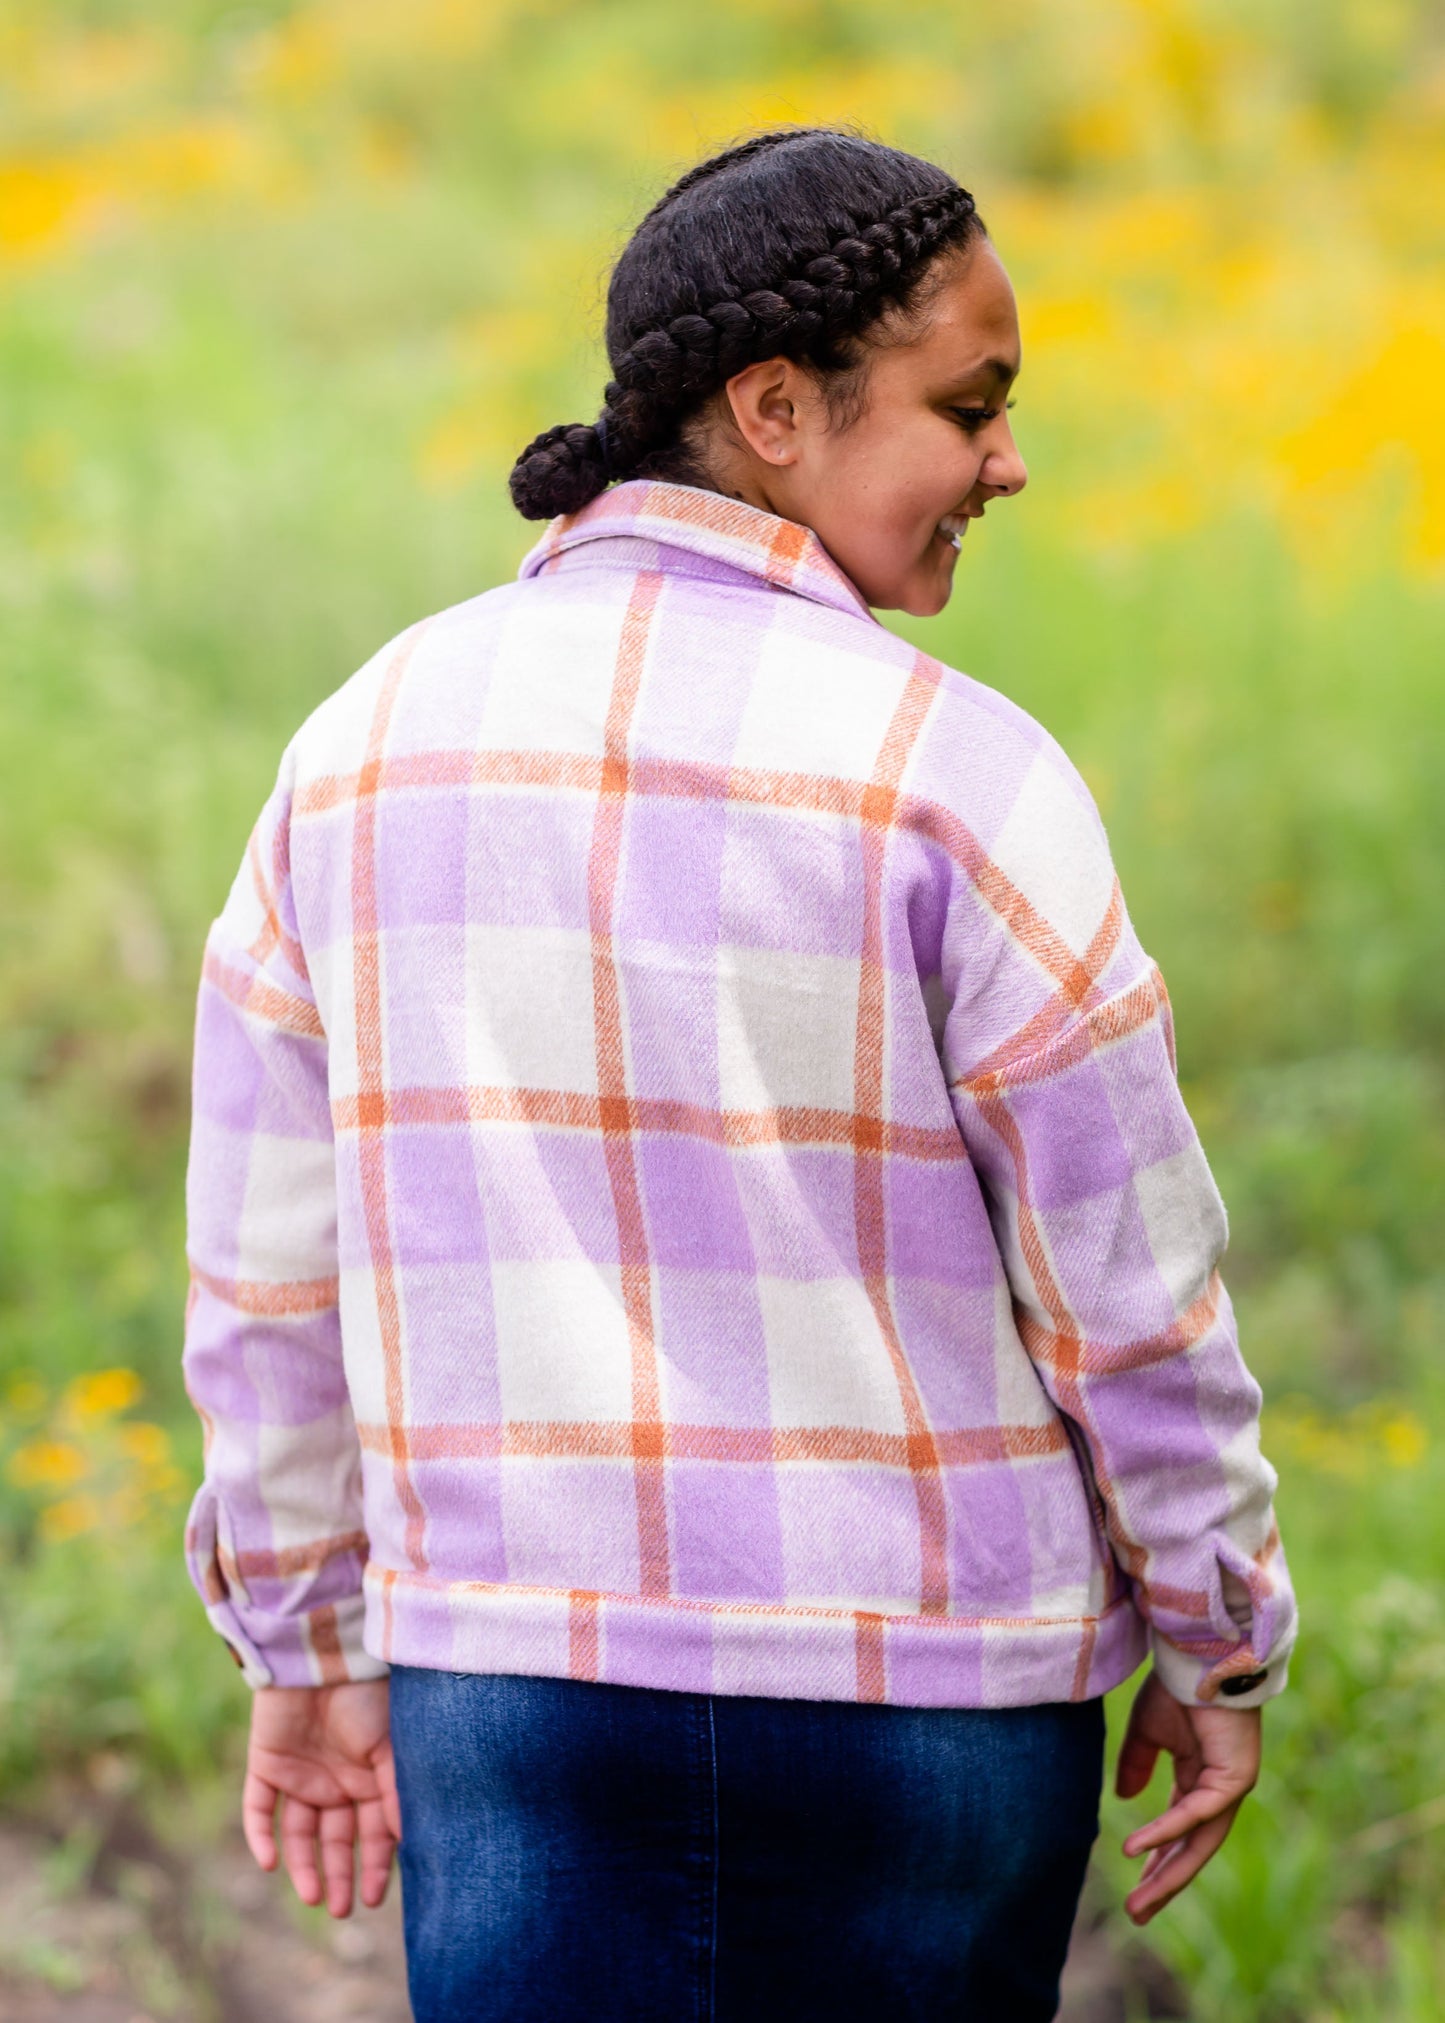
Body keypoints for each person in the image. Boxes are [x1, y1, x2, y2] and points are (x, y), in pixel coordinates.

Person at [181, 126, 1297, 2021]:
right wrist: (1216, 1631)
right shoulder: (966, 774)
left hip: (518, 1690)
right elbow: (1128, 1290)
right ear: (776, 407)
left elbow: (268, 1278)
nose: (1007, 460)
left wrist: (307, 1646)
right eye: (972, 406)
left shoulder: (361, 751)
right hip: (928, 1714)